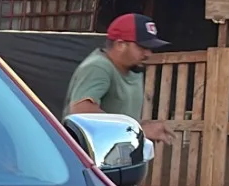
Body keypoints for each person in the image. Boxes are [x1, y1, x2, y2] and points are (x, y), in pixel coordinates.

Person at [66, 13, 172, 146]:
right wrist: (138, 131)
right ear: (120, 44)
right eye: (142, 47)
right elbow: (81, 111)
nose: (148, 53)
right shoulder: (99, 67)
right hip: (92, 160)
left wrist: (143, 126)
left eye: (150, 48)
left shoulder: (132, 69)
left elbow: (120, 116)